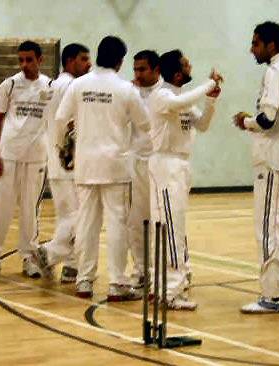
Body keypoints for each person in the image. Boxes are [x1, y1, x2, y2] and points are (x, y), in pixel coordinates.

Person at [53, 36, 150, 301]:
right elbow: (146, 124)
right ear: (120, 61)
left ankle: (84, 281)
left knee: (86, 223)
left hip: (85, 165)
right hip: (115, 166)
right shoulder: (126, 89)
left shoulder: (79, 85)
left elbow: (61, 119)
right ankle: (117, 283)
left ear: (97, 56)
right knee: (117, 224)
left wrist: (63, 148)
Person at [234, 21, 279, 314]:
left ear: (270, 45)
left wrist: (246, 121)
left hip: (272, 161)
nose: (252, 49)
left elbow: (268, 120)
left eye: (256, 43)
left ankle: (271, 296)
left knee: (269, 228)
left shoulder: (274, 72)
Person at [147, 49, 222, 310]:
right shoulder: (162, 95)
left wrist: (211, 101)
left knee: (172, 225)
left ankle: (164, 285)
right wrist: (208, 83)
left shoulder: (182, 98)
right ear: (178, 73)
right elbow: (180, 104)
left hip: (180, 165)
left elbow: (201, 125)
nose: (191, 66)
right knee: (170, 226)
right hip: (166, 164)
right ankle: (170, 291)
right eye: (187, 64)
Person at [0, 41, 51, 278]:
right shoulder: (10, 85)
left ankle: (29, 258)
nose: (24, 64)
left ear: (40, 59)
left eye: (29, 59)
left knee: (30, 209)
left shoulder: (50, 86)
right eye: (21, 60)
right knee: (0, 208)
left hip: (36, 157)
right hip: (8, 156)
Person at [35, 43, 91, 283]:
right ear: (69, 61)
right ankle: (49, 253)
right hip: (69, 161)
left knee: (67, 214)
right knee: (78, 216)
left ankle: (71, 266)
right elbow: (71, 124)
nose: (88, 64)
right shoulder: (72, 86)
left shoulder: (51, 85)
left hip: (55, 160)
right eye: (83, 59)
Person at [127, 50, 161, 289]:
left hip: (161, 164)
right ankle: (141, 270)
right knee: (136, 221)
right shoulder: (130, 92)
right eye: (135, 69)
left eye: (143, 69)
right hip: (136, 163)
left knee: (166, 220)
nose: (137, 74)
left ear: (156, 70)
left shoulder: (166, 92)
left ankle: (178, 270)